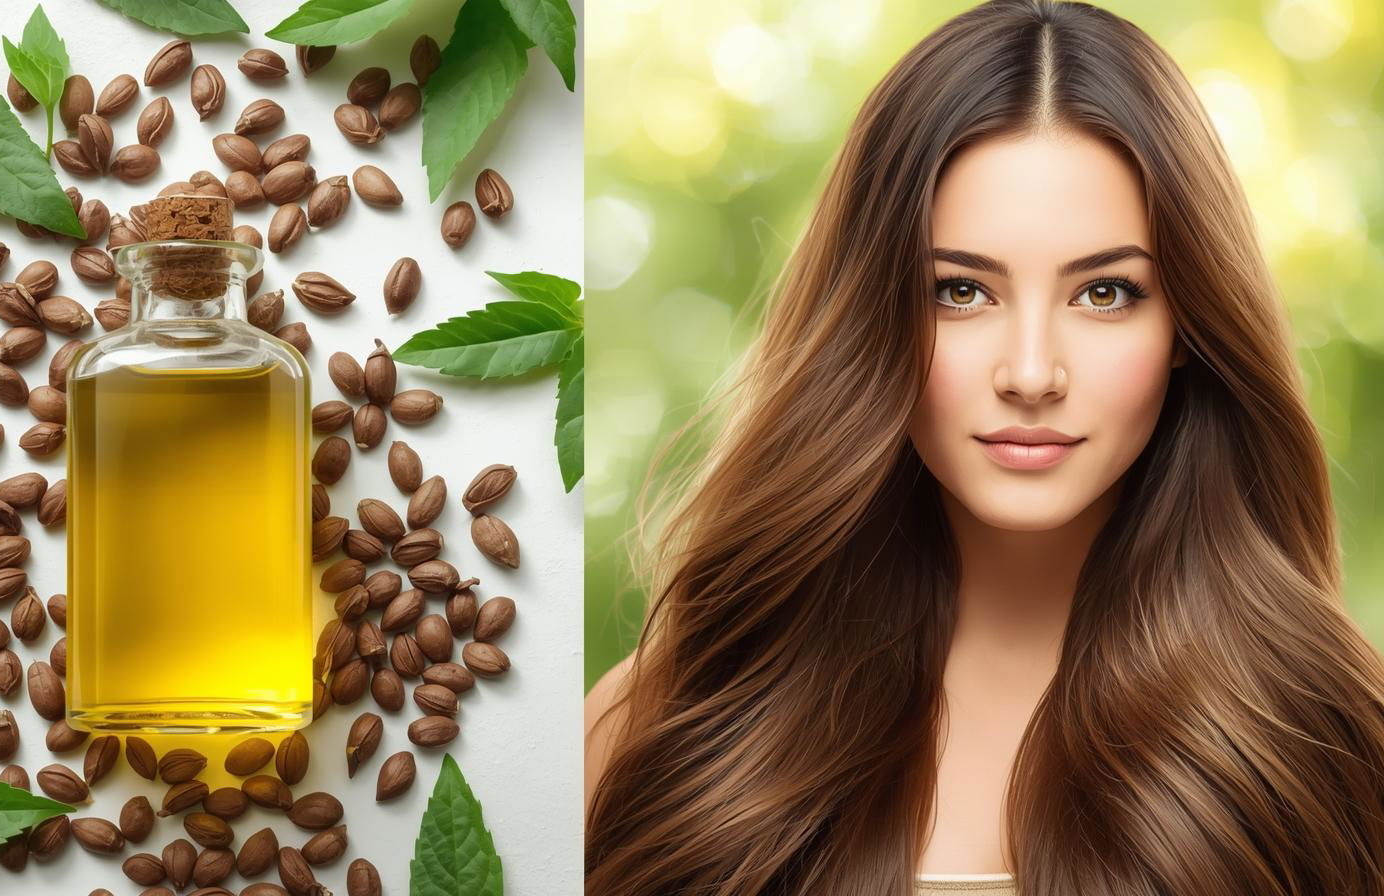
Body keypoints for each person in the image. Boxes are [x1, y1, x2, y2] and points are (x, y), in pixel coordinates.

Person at [583, 1, 1384, 893]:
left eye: (1107, 294)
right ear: (872, 316)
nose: (1032, 372)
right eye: (961, 291)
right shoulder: (680, 712)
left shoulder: (1327, 731)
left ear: (1189, 323)